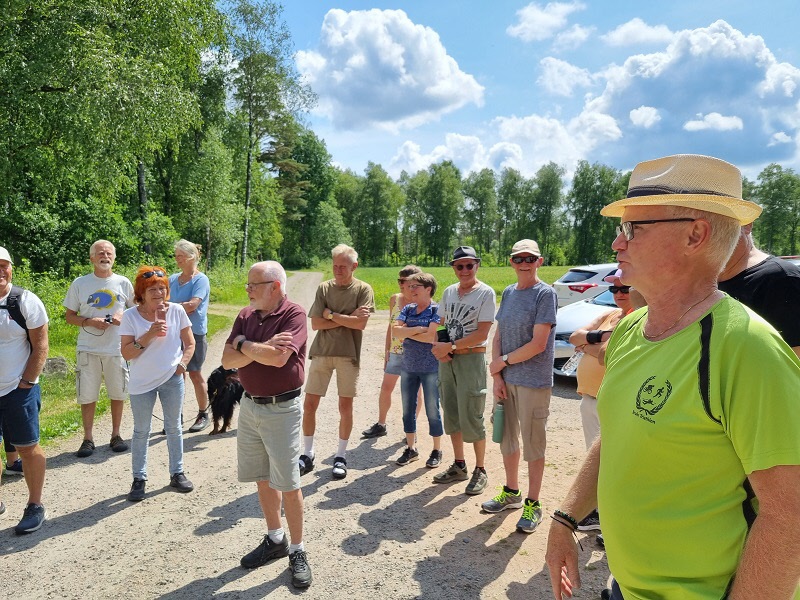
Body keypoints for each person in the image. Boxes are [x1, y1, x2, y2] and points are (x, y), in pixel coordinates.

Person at [545, 154, 800, 600]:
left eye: (632, 229)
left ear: (695, 234)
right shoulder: (630, 329)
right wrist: (565, 518)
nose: (616, 243)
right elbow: (619, 435)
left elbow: (790, 515)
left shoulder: (747, 347)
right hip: (626, 587)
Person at [221, 261, 312, 589]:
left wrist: (243, 344)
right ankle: (276, 539)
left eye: (253, 284)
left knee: (288, 482)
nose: (247, 289)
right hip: (250, 406)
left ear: (275, 286)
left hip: (282, 409)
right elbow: (226, 361)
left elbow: (278, 358)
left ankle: (298, 550)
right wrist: (256, 347)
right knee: (262, 477)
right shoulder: (246, 315)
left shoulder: (294, 314)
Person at [482, 240, 557, 534]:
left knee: (533, 443)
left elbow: (539, 344)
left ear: (539, 261)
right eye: (518, 258)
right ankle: (511, 492)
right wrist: (497, 375)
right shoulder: (510, 292)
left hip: (533, 382)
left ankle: (533, 503)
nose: (524, 263)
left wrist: (502, 362)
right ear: (511, 262)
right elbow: (499, 334)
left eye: (530, 258)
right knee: (507, 438)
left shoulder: (545, 294)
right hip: (507, 381)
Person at [567, 268, 636, 534]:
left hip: (613, 402)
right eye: (613, 289)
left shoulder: (641, 317)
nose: (619, 293)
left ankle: (616, 520)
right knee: (595, 461)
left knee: (616, 463)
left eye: (624, 288)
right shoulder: (611, 315)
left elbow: (614, 354)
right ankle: (599, 513)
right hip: (590, 397)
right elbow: (574, 336)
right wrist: (599, 338)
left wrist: (587, 346)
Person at [120, 266, 195, 501]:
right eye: (152, 289)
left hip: (172, 378)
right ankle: (139, 479)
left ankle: (177, 473)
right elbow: (127, 353)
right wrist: (149, 334)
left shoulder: (176, 311)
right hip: (142, 383)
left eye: (162, 289)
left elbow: (190, 343)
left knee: (174, 427)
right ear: (141, 292)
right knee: (141, 431)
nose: (158, 293)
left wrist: (182, 365)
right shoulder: (130, 316)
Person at [301, 244, 374, 480]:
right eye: (335, 266)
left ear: (354, 266)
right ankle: (307, 453)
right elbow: (316, 324)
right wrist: (347, 318)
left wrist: (331, 315)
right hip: (322, 352)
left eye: (343, 266)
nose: (338, 270)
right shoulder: (324, 288)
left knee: (345, 407)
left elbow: (360, 324)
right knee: (309, 405)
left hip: (348, 355)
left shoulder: (363, 289)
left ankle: (340, 456)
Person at [431, 246, 496, 496]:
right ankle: (459, 464)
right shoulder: (449, 292)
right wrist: (441, 347)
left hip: (471, 358)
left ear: (477, 265)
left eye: (470, 265)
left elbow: (482, 333)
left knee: (473, 414)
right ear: (454, 268)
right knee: (451, 412)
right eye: (460, 266)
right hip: (448, 359)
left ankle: (481, 469)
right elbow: (440, 323)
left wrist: (451, 346)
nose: (465, 270)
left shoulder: (485, 293)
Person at [63, 240, 135, 457]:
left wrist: (123, 315)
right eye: (100, 253)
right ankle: (87, 438)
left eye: (109, 253)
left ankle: (116, 434)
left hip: (117, 348)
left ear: (114, 257)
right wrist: (89, 321)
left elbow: (137, 310)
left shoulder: (123, 283)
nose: (105, 256)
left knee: (118, 392)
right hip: (88, 348)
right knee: (87, 394)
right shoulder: (80, 283)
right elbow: (69, 317)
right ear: (92, 258)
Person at [0, 245, 49, 534]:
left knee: (27, 448)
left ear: (11, 269)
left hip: (19, 389)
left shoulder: (25, 301)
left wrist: (27, 382)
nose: (0, 271)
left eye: (3, 265)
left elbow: (41, 345)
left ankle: (35, 505)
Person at [718, 222, 800, 357]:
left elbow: (794, 361)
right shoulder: (701, 280)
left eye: (719, 223)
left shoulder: (782, 279)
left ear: (746, 225)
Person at [362, 265, 423, 440]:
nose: (401, 284)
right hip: (396, 352)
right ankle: (381, 424)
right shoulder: (394, 299)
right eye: (399, 281)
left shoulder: (422, 302)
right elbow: (390, 327)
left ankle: (411, 430)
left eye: (405, 281)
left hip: (415, 354)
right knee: (386, 388)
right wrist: (387, 350)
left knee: (415, 393)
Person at [391, 272, 444, 468]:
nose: (410, 289)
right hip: (408, 367)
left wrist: (407, 332)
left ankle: (437, 450)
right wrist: (418, 330)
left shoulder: (436, 309)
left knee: (432, 410)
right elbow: (395, 331)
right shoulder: (408, 309)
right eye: (409, 286)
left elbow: (432, 337)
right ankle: (411, 449)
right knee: (407, 410)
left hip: (431, 368)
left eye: (415, 286)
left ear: (428, 289)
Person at [168, 239, 212, 432]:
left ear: (192, 257)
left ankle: (203, 414)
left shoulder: (201, 280)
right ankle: (176, 416)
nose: (177, 259)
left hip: (194, 333)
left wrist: (169, 307)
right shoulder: (172, 279)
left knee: (194, 373)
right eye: (176, 256)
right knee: (177, 374)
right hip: (173, 332)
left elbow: (193, 305)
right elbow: (162, 300)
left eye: (181, 256)